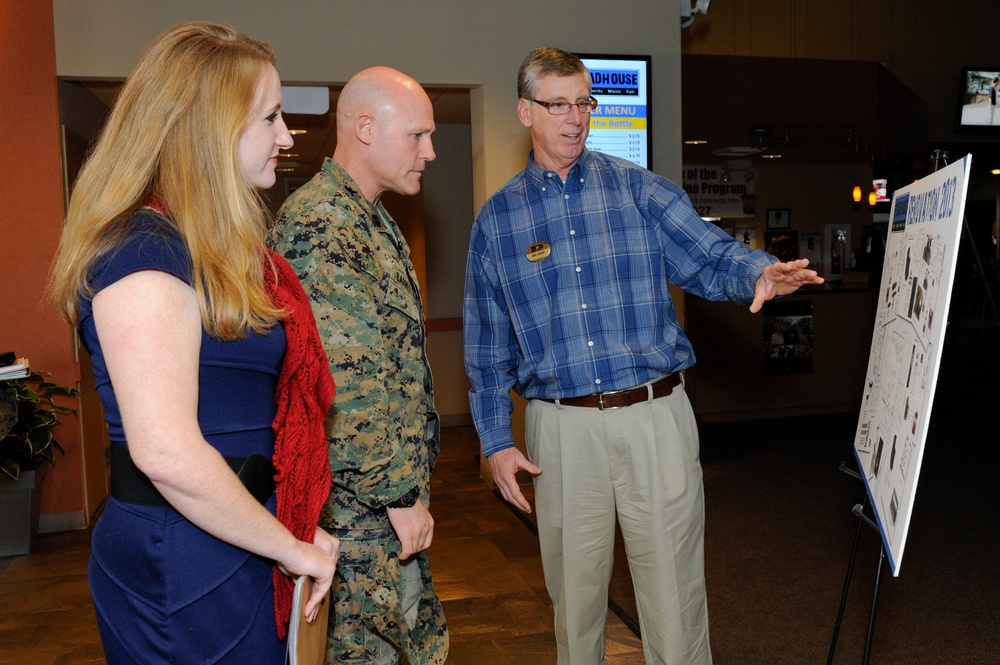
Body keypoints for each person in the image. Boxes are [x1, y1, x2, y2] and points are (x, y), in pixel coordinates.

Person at [463, 46, 824, 665]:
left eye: (584, 103)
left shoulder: (639, 190)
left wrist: (758, 271)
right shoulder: (498, 221)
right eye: (558, 105)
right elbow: (487, 343)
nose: (575, 118)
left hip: (655, 417)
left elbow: (709, 254)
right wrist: (496, 439)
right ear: (525, 111)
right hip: (561, 431)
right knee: (576, 608)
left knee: (674, 602)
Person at [48, 22, 339, 664]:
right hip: (182, 556)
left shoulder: (197, 247)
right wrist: (290, 548)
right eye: (270, 117)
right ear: (211, 129)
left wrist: (282, 527)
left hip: (229, 533)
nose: (286, 136)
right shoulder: (144, 252)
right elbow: (168, 452)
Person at [268, 66, 448, 664]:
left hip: (378, 513)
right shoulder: (324, 223)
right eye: (417, 135)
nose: (430, 151)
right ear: (365, 129)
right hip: (357, 519)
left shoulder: (368, 217)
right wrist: (397, 494)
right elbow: (345, 385)